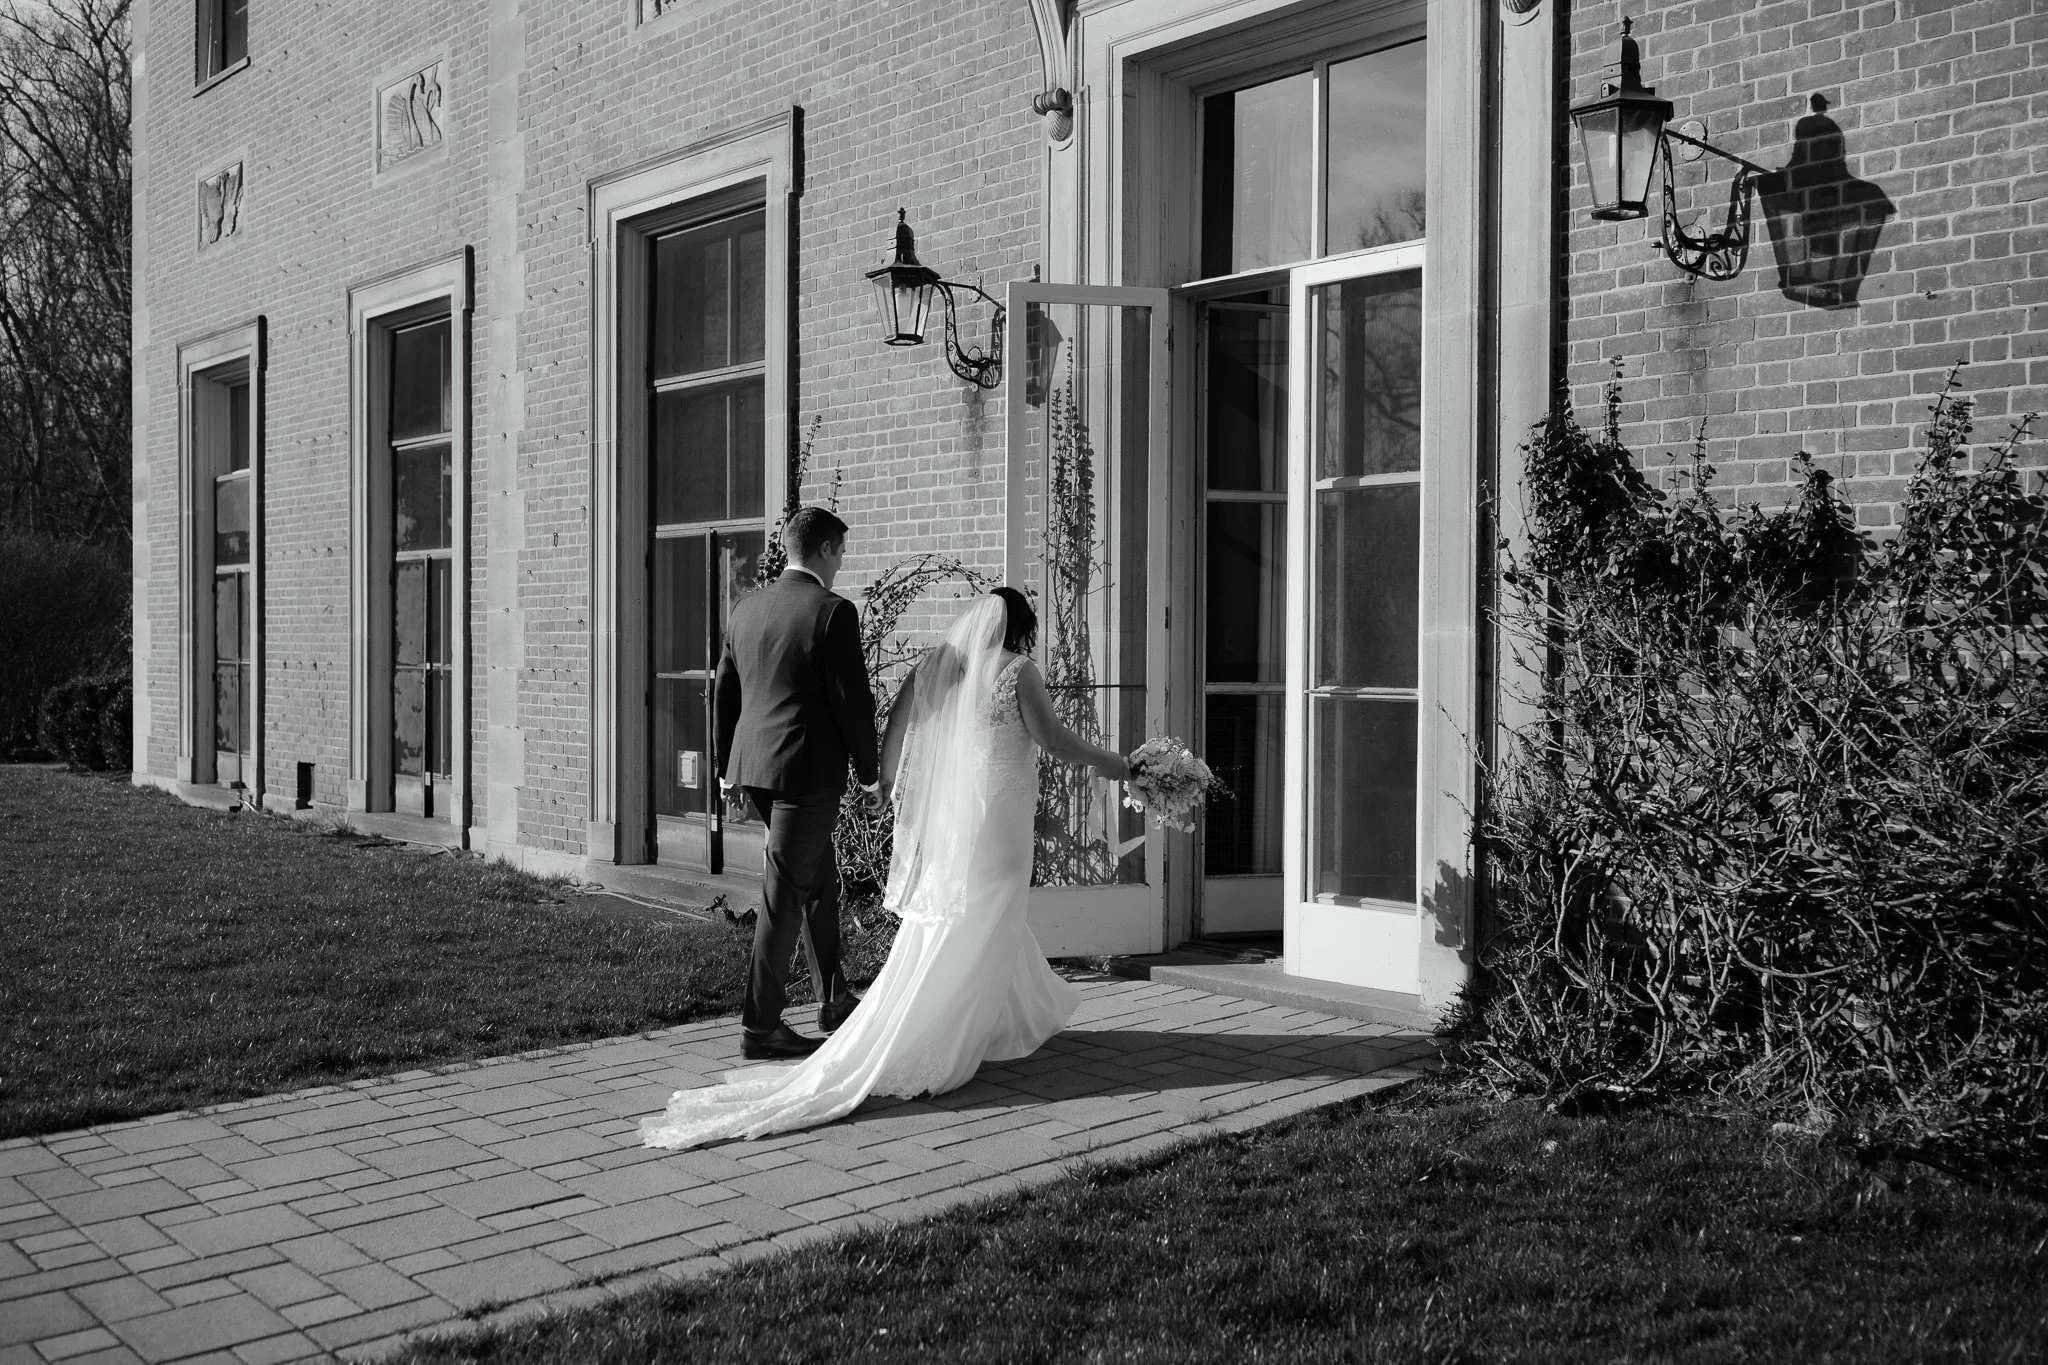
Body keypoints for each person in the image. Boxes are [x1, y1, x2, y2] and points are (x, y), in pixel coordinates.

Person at [640, 587, 1129, 1149]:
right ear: (1022, 628)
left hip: (956, 818)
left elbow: (897, 723)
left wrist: (887, 782)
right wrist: (1115, 764)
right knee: (984, 913)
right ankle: (941, 1030)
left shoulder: (941, 666)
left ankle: (1006, 1018)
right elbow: (1053, 740)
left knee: (967, 913)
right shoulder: (1018, 670)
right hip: (1000, 819)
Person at [712, 507, 880, 1062]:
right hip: (804, 774)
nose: (842, 564)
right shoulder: (832, 612)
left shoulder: (747, 606)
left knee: (818, 881)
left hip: (755, 768)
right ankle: (760, 1029)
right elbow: (852, 702)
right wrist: (871, 772)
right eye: (842, 553)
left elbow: (724, 693)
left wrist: (723, 765)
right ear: (827, 550)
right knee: (783, 896)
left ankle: (833, 999)